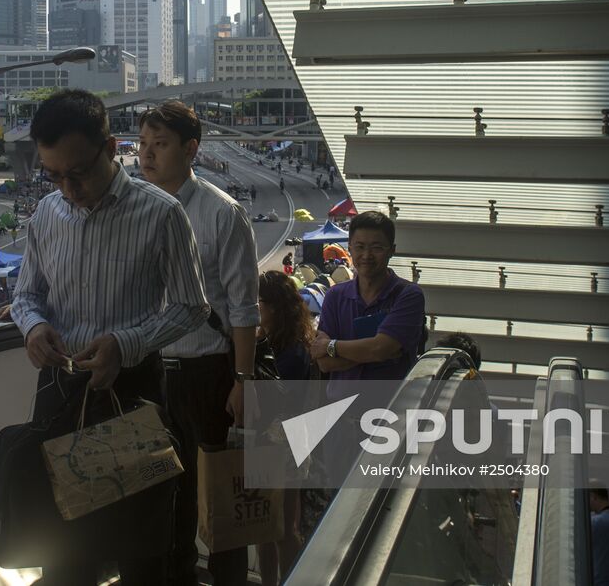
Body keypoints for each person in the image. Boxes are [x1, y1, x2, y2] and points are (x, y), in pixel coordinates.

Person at [8, 89, 209, 585]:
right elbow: (24, 296)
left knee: (141, 547)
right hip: (59, 393)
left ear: (111, 147)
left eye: (78, 172)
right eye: (54, 175)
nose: (68, 187)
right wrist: (32, 326)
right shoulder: (46, 216)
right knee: (63, 550)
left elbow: (193, 306)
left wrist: (127, 342)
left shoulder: (161, 214)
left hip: (132, 392)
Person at [138, 101, 258, 586]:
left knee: (221, 501)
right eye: (142, 144)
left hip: (207, 375)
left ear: (191, 149)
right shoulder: (132, 208)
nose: (146, 155)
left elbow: (244, 307)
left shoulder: (221, 214)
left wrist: (242, 381)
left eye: (159, 144)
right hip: (147, 375)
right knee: (164, 501)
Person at [309, 211, 425, 399]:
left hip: (390, 417)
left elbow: (379, 349)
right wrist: (374, 352)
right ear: (350, 249)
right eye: (360, 247)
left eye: (377, 248)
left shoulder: (408, 295)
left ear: (392, 250)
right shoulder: (335, 296)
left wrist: (331, 346)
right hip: (339, 416)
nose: (366, 255)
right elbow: (324, 363)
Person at [255, 270, 315, 586]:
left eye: (259, 302)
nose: (255, 308)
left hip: (283, 444)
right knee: (268, 528)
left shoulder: (287, 352)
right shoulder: (282, 342)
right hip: (279, 444)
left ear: (274, 307)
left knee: (280, 529)